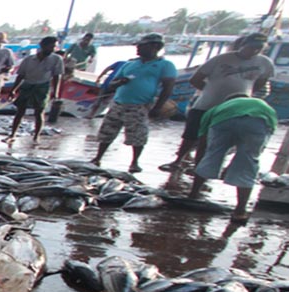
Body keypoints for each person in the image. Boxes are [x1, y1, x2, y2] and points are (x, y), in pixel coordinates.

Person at [160, 32, 273, 173]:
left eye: (259, 48)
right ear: (243, 45)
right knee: (191, 135)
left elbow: (261, 82)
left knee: (216, 140)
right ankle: (179, 161)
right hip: (205, 105)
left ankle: (202, 168)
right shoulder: (221, 59)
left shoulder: (265, 63)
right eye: (251, 47)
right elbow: (195, 79)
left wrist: (245, 97)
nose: (254, 51)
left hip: (233, 110)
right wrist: (209, 92)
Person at [90, 33, 176, 173]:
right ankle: (97, 157)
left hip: (140, 105)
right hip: (118, 103)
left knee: (137, 135)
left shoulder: (165, 65)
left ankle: (134, 162)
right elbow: (111, 84)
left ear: (155, 46)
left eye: (142, 45)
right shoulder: (129, 64)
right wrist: (119, 82)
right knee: (107, 132)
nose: (138, 48)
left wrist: (158, 106)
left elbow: (168, 87)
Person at [189, 95, 276, 223]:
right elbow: (259, 148)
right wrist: (230, 167)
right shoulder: (265, 107)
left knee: (212, 155)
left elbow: (203, 145)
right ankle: (240, 211)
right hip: (258, 120)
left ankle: (193, 195)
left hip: (223, 121)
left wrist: (198, 166)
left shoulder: (216, 109)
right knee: (248, 161)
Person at [7, 36, 63, 143]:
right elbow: (21, 76)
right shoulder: (29, 59)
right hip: (28, 85)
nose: (52, 49)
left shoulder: (56, 59)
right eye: (51, 47)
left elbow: (57, 77)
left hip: (42, 86)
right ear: (43, 46)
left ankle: (36, 136)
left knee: (39, 112)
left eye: (54, 47)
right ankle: (12, 134)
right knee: (20, 111)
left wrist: (55, 93)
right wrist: (13, 90)